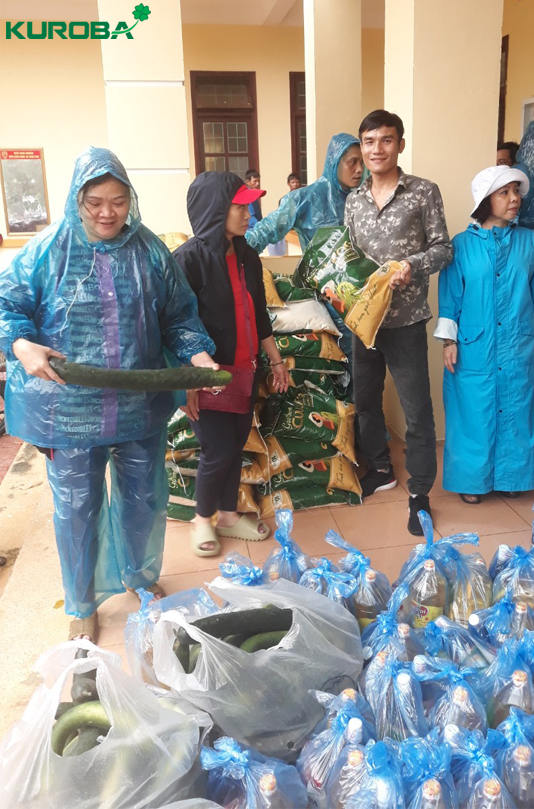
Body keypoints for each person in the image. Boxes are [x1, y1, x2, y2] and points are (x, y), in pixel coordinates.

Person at [0, 147, 217, 642]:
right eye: (95, 202)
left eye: (118, 201)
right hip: (69, 411)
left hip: (138, 407)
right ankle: (81, 603)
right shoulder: (46, 250)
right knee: (77, 508)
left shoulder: (149, 251)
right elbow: (6, 304)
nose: (107, 213)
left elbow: (178, 316)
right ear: (77, 200)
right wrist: (19, 344)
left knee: (144, 498)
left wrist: (199, 356)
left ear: (130, 200)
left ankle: (140, 578)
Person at [344, 109, 452, 535]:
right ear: (362, 147)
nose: (377, 149)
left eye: (386, 140)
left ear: (400, 145)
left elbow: (443, 249)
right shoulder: (353, 199)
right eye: (369, 142)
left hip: (405, 321)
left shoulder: (423, 192)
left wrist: (413, 264)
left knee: (417, 411)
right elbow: (348, 256)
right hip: (362, 322)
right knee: (366, 402)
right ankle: (381, 469)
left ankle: (419, 493)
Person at [173, 172, 290, 556]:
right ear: (215, 209)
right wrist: (186, 381)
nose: (248, 214)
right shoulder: (188, 261)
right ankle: (202, 519)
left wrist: (275, 361)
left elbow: (259, 316)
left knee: (236, 442)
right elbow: (173, 325)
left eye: (248, 206)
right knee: (217, 448)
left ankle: (226, 513)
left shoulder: (247, 256)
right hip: (205, 375)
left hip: (244, 370)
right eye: (240, 206)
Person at [434, 166, 534, 504]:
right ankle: (472, 481)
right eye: (504, 193)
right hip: (475, 347)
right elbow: (450, 298)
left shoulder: (529, 241)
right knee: (473, 412)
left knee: (518, 407)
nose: (514, 199)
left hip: (519, 343)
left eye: (516, 192)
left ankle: (513, 477)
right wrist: (449, 341)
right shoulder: (461, 246)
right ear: (485, 200)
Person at [245, 133, 363, 253]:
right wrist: (238, 251)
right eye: (353, 162)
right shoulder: (304, 198)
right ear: (335, 162)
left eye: (362, 163)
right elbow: (266, 230)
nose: (360, 169)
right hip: (318, 265)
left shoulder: (362, 199)